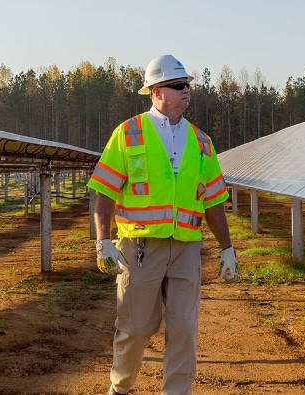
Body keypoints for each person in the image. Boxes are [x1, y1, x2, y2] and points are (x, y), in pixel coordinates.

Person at [87, 54, 240, 395]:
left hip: (186, 248)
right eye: (178, 85)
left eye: (188, 85)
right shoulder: (128, 133)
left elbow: (213, 200)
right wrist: (103, 240)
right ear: (157, 91)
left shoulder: (201, 141)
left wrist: (228, 248)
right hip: (140, 249)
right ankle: (120, 388)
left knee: (184, 328)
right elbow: (105, 192)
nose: (187, 90)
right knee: (136, 328)